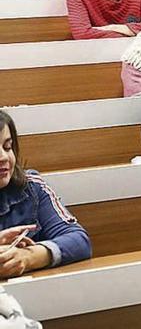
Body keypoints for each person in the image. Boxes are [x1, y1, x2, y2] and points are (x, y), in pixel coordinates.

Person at [0, 111, 91, 276]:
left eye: (7, 147)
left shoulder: (32, 187)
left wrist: (28, 257)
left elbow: (79, 240)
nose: (3, 157)